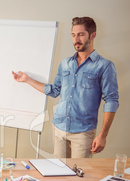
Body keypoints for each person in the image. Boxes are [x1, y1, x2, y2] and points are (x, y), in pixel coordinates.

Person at [12, 17, 119, 158]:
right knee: (60, 174)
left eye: (81, 34)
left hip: (83, 133)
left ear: (93, 35)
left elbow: (111, 101)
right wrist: (27, 80)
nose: (76, 39)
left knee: (78, 176)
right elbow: (54, 90)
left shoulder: (105, 66)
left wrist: (103, 135)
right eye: (73, 35)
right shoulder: (65, 64)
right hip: (59, 128)